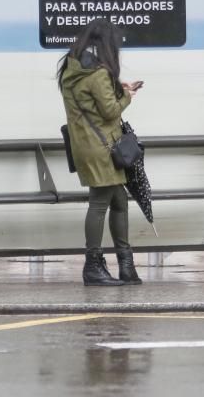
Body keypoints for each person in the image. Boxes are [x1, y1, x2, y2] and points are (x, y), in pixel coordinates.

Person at [58, 19, 143, 286]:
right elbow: (109, 111)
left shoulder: (72, 68)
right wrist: (127, 97)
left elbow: (92, 104)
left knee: (119, 200)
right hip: (103, 147)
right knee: (99, 203)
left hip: (85, 144)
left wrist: (118, 88)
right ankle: (93, 266)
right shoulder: (97, 74)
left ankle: (126, 266)